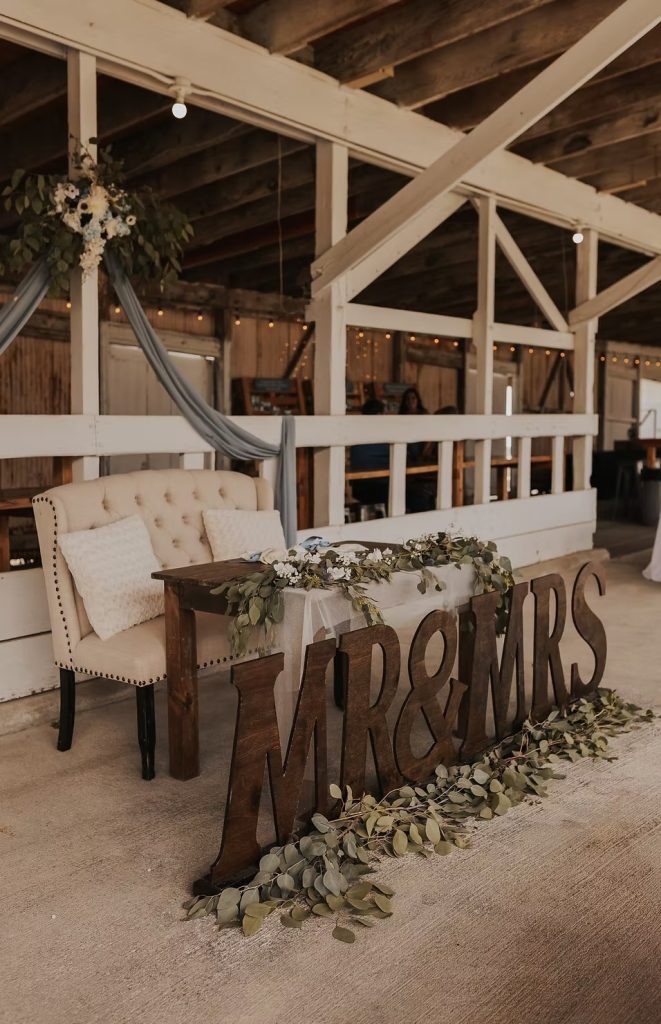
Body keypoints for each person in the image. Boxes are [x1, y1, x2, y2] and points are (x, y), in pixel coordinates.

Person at [349, 398, 389, 508]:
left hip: (358, 487)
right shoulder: (383, 435)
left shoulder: (356, 434)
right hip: (379, 486)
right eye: (384, 414)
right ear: (379, 415)